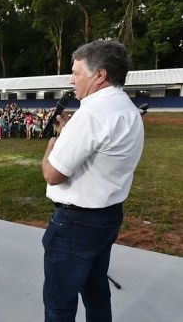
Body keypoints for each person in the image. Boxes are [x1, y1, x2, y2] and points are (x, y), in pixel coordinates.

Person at [40, 40, 144, 322]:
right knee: (96, 291)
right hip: (107, 216)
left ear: (100, 76)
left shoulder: (91, 114)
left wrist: (54, 141)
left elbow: (52, 173)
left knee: (59, 299)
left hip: (76, 223)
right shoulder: (127, 109)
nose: (71, 79)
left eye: (76, 72)